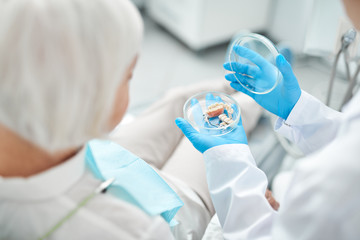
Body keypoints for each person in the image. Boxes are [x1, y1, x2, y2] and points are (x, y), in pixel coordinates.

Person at [0, 0, 269, 239]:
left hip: (107, 158)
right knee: (221, 120)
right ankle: (258, 92)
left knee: (176, 100)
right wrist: (243, 212)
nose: (131, 80)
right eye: (128, 75)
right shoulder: (134, 232)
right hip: (169, 209)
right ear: (92, 101)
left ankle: (234, 77)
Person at [176, 0, 360, 239]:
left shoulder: (336, 182)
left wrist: (228, 160)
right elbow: (352, 138)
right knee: (180, 99)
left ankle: (238, 95)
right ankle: (241, 97)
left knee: (176, 99)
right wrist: (298, 108)